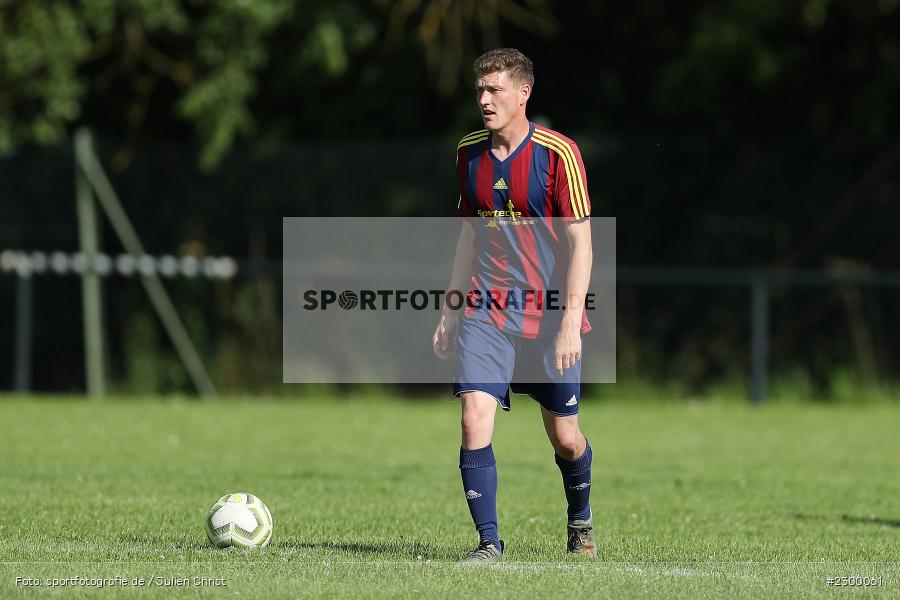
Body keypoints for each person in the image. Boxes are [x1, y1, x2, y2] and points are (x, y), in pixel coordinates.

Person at [432, 48, 595, 562]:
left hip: (548, 317)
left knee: (566, 438)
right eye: (479, 90)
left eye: (495, 90)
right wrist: (452, 308)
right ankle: (489, 543)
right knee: (472, 418)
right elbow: (466, 237)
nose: (484, 100)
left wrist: (571, 320)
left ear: (523, 94)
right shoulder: (467, 153)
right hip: (488, 309)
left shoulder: (558, 154)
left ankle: (580, 522)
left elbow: (581, 242)